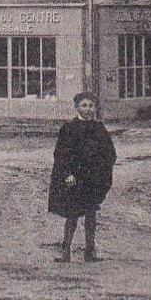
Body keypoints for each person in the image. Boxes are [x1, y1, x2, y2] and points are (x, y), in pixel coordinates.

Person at [47, 91, 117, 263]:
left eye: (91, 105)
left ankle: (90, 251)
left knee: (91, 214)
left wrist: (102, 173)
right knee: (72, 214)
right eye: (84, 105)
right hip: (75, 179)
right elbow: (61, 154)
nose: (88, 109)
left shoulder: (99, 128)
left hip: (93, 180)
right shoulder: (69, 128)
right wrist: (67, 174)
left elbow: (110, 154)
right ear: (76, 107)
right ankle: (66, 251)